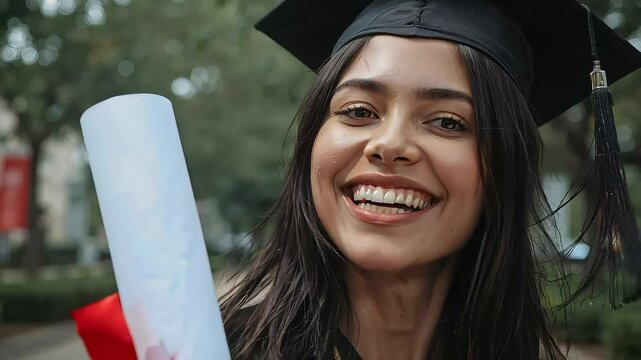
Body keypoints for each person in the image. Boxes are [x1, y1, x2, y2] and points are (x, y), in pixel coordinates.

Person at [218, 0, 641, 359]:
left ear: (506, 168)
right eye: (359, 111)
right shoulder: (192, 346)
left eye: (447, 121)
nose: (389, 144)